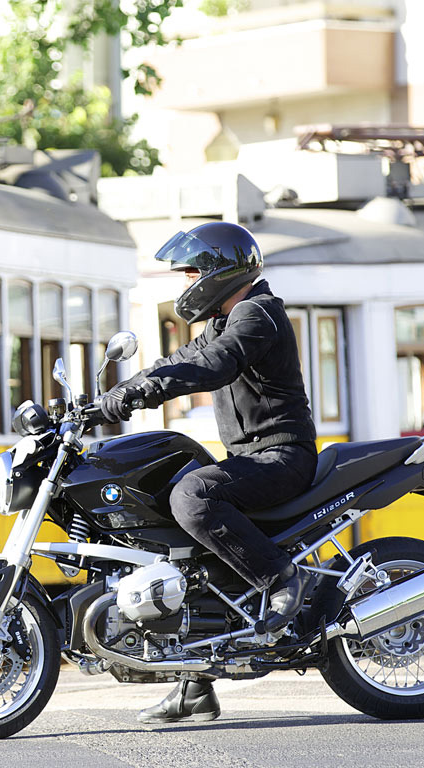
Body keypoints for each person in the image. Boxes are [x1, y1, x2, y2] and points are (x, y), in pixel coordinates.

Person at [99, 221, 318, 725]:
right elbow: (179, 360)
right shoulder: (223, 321)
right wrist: (108, 398)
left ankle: (282, 578)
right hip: (251, 459)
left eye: (192, 271)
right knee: (177, 535)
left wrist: (136, 396)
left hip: (281, 458)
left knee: (192, 497)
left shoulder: (258, 314)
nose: (186, 284)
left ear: (220, 268)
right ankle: (194, 684)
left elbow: (215, 365)